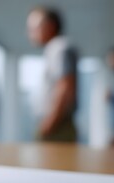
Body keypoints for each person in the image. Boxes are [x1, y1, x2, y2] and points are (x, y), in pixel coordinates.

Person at [27, 7, 78, 142]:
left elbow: (65, 86)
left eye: (34, 27)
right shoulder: (54, 49)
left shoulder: (59, 48)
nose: (30, 33)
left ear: (50, 26)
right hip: (55, 124)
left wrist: (49, 123)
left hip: (56, 126)